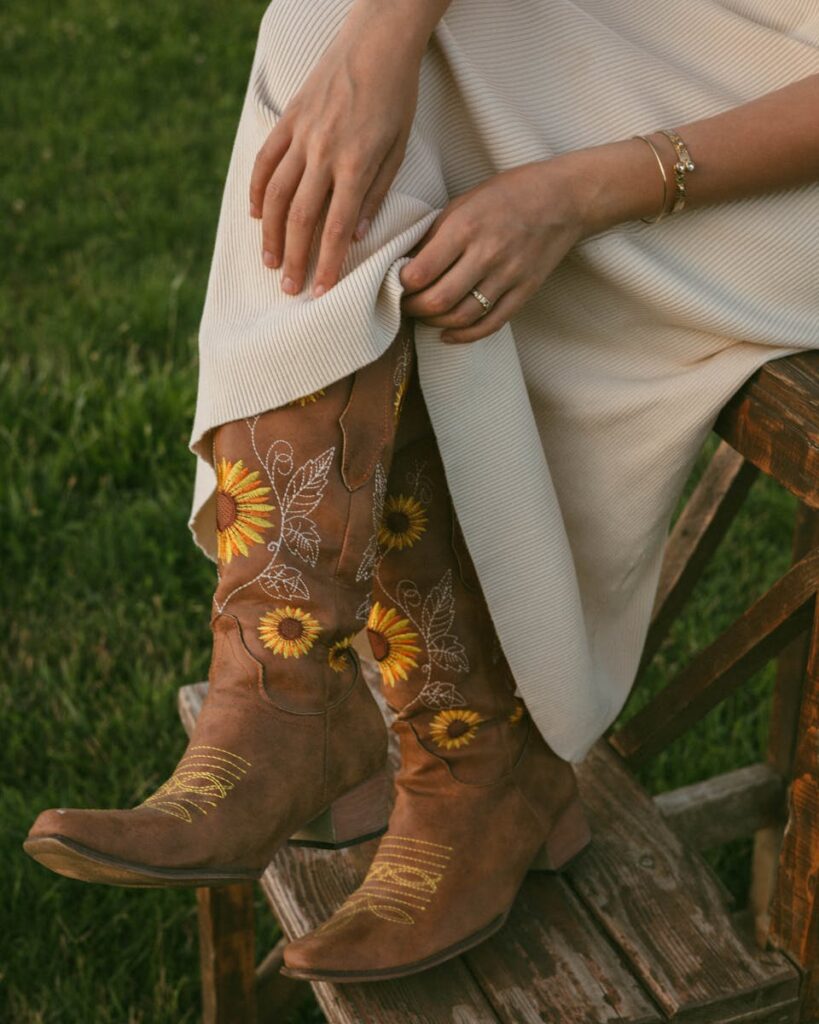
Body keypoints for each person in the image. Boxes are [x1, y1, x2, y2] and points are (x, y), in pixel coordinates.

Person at [24, 0, 819, 984]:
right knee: (326, 28)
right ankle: (311, 701)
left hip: (788, 151)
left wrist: (581, 190)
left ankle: (462, 757)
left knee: (399, 146)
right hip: (685, 36)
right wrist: (383, 36)